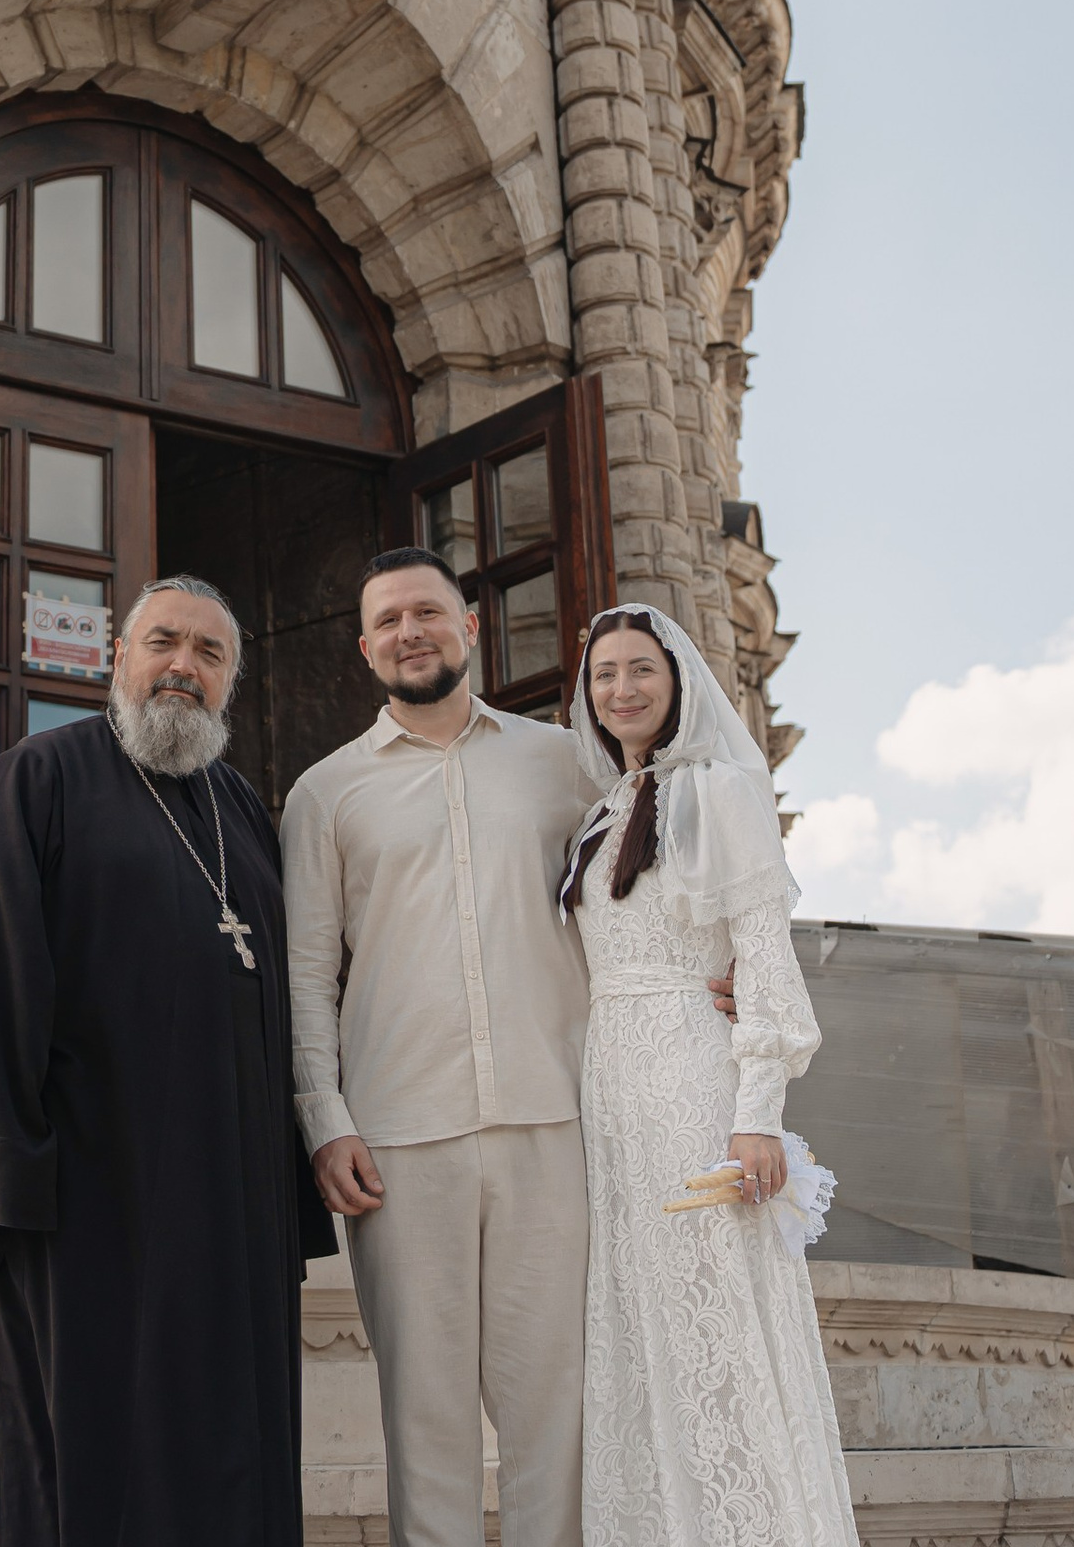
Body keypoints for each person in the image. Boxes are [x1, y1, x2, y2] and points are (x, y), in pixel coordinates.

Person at [281, 550, 734, 1547]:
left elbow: (659, 877)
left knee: (558, 1412)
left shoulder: (565, 761)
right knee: (425, 1418)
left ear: (470, 626)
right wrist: (326, 1120)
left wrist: (727, 960)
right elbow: (305, 977)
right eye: (389, 619)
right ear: (365, 648)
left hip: (558, 1121)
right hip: (398, 1138)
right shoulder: (323, 794)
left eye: (428, 612)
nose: (410, 630)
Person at [0, 575, 333, 1547]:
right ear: (116, 658)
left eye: (209, 653)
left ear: (230, 683)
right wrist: (3, 1181)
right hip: (90, 1205)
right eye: (163, 641)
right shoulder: (37, 779)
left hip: (231, 1218)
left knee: (235, 1459)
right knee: (98, 1468)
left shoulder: (245, 812)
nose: (183, 664)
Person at [565, 602, 858, 1547]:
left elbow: (764, 953)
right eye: (605, 673)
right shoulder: (601, 812)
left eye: (639, 668)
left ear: (677, 677)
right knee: (640, 1333)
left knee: (717, 1325)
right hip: (610, 1085)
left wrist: (758, 1116)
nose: (622, 689)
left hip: (694, 1082)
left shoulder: (726, 791)